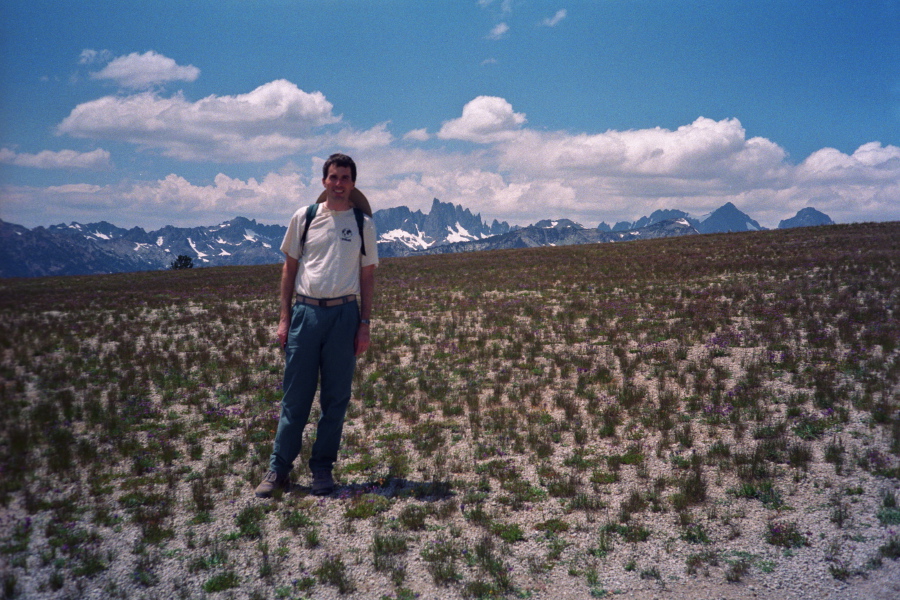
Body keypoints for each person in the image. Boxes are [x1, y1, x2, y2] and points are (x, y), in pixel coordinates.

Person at [255, 153, 378, 498]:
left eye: (345, 178)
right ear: (324, 182)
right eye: (333, 177)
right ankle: (279, 468)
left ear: (353, 183)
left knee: (336, 398)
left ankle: (322, 468)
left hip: (345, 316)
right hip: (305, 314)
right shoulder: (304, 218)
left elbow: (367, 277)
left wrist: (364, 323)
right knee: (295, 396)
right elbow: (289, 270)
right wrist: (284, 317)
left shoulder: (363, 224)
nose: (339, 183)